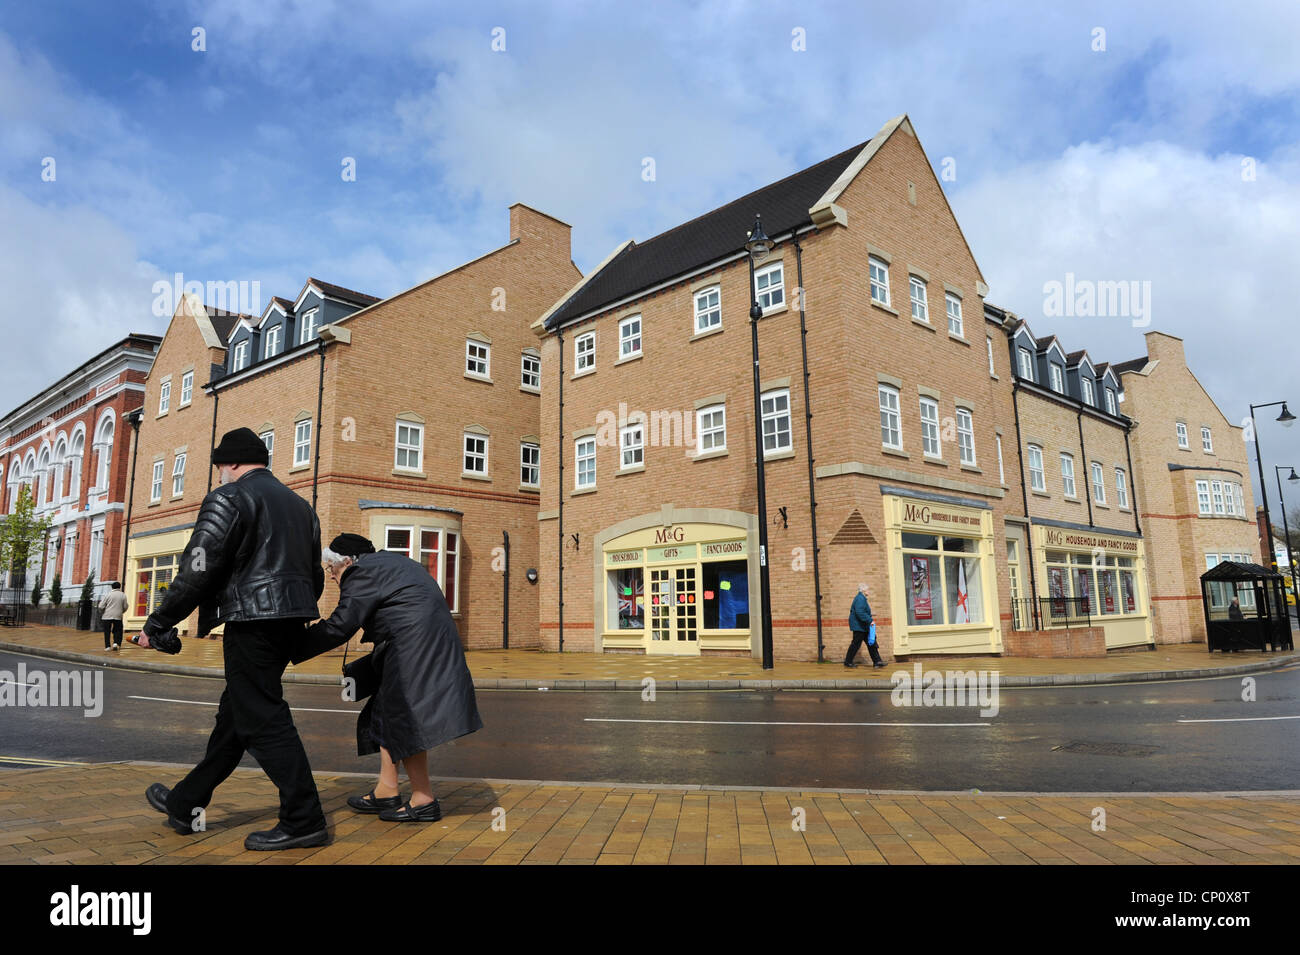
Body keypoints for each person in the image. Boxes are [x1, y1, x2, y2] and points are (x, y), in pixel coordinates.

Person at [135, 427, 329, 851]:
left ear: (234, 463)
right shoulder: (301, 507)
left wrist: (157, 623)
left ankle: (304, 819)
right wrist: (292, 616)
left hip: (252, 623)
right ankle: (186, 803)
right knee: (236, 718)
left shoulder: (229, 498)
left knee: (262, 718)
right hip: (288, 620)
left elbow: (198, 566)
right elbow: (314, 576)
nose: (219, 474)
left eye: (220, 466)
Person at [292, 533, 483, 823]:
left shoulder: (361, 572)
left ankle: (423, 800)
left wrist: (291, 647)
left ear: (346, 561)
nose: (331, 576)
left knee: (404, 718)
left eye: (331, 569)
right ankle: (387, 789)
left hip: (413, 648)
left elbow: (341, 625)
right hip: (423, 643)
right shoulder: (391, 562)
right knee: (383, 712)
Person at [845, 581, 884, 668]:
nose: (868, 591)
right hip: (859, 626)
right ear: (863, 590)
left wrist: (871, 614)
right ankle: (848, 662)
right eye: (867, 590)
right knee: (855, 644)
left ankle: (877, 661)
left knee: (872, 643)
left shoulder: (861, 598)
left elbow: (861, 611)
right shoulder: (860, 599)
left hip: (862, 626)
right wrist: (870, 620)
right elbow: (859, 612)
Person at [98, 582, 128, 651]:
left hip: (107, 616)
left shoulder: (108, 595)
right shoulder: (123, 595)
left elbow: (101, 606)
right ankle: (116, 643)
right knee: (117, 630)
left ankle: (107, 646)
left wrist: (102, 612)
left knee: (107, 631)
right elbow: (125, 606)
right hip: (118, 616)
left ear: (112, 587)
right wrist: (121, 611)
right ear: (119, 587)